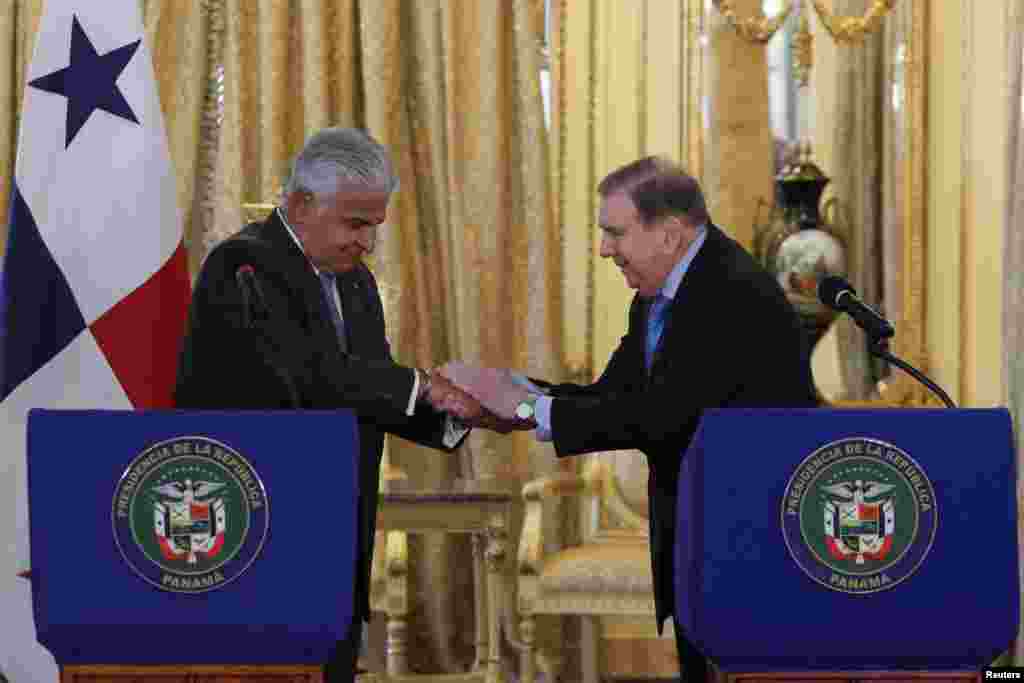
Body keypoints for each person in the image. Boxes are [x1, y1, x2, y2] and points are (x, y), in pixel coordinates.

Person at [440, 156, 819, 683]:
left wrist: (524, 407)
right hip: (701, 541)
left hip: (747, 546)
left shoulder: (730, 290)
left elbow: (659, 416)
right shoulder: (661, 295)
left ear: (669, 234)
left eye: (615, 233)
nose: (604, 249)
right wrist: (506, 400)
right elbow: (612, 396)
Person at [174, 127, 487, 683]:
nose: (368, 243)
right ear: (301, 205)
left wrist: (462, 413)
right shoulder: (242, 267)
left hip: (338, 529)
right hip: (254, 530)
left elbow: (368, 390)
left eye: (374, 226)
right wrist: (423, 385)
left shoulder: (356, 283)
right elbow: (304, 377)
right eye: (356, 224)